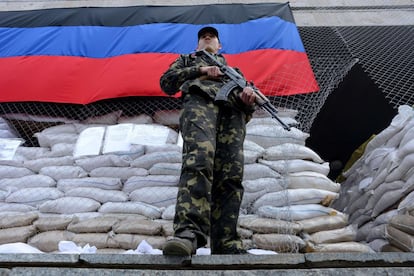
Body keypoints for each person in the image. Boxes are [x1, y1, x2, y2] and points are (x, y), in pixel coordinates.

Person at [159, 26, 256, 256]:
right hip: (200, 107)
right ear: (197, 45)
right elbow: (167, 82)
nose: (207, 37)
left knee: (231, 176)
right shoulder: (186, 61)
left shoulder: (235, 72)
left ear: (220, 46)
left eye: (212, 36)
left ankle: (226, 242)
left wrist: (247, 101)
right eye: (203, 36)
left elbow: (247, 113)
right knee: (199, 161)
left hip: (231, 116)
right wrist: (201, 70)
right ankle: (188, 234)